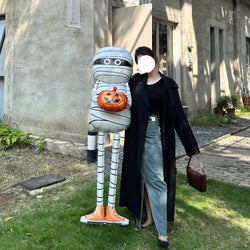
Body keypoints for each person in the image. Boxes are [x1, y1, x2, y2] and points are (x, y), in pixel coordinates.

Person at [119, 46, 200, 248]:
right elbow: (120, 97)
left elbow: (180, 118)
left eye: (145, 58)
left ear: (154, 58)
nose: (142, 64)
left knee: (156, 179)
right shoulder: (135, 81)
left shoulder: (168, 85)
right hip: (136, 134)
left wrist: (192, 148)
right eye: (139, 61)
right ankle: (149, 216)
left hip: (156, 134)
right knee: (142, 176)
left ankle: (162, 232)